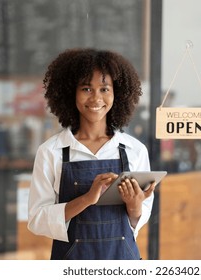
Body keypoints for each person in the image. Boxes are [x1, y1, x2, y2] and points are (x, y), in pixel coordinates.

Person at [27, 48, 155, 260]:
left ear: (117, 93)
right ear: (70, 93)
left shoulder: (135, 150)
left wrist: (134, 206)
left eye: (105, 89)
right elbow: (37, 219)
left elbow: (138, 220)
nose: (96, 98)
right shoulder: (51, 152)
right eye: (86, 88)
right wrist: (87, 199)